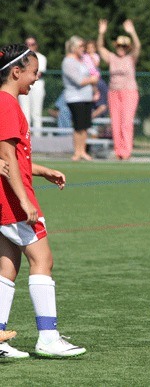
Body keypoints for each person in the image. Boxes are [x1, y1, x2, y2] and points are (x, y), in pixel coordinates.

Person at [0, 43, 86, 358]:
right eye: (34, 73)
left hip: (5, 200)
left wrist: (42, 170)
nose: (36, 79)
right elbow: (6, 155)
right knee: (43, 260)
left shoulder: (5, 102)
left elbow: (13, 160)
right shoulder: (7, 104)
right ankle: (48, 337)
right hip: (12, 201)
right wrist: (24, 201)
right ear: (16, 71)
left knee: (8, 265)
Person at [97, 19, 141, 160]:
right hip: (113, 92)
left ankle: (126, 151)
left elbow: (138, 46)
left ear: (127, 48)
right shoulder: (112, 58)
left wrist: (132, 32)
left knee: (126, 122)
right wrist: (101, 33)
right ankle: (119, 151)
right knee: (115, 123)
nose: (121, 48)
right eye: (119, 46)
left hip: (129, 92)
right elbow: (100, 48)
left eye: (124, 46)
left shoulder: (130, 58)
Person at [61, 35, 98, 161]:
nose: (83, 48)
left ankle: (83, 150)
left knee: (85, 125)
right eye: (81, 46)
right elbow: (78, 80)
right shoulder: (68, 61)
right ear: (73, 47)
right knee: (78, 126)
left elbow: (92, 71)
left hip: (86, 97)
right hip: (75, 98)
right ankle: (77, 151)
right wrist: (92, 80)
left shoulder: (83, 60)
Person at [17, 36, 47, 135]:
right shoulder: (20, 58)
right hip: (23, 85)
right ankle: (25, 136)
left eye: (32, 44)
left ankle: (38, 137)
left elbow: (37, 73)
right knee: (24, 112)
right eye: (27, 44)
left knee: (36, 113)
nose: (30, 46)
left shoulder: (41, 58)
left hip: (37, 86)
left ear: (36, 46)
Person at [83, 40, 108, 119]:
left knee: (95, 82)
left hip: (94, 73)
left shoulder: (95, 56)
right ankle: (95, 93)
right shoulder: (84, 56)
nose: (90, 49)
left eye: (92, 48)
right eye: (88, 48)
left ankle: (96, 93)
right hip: (87, 74)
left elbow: (96, 65)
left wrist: (92, 58)